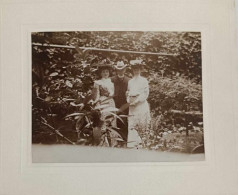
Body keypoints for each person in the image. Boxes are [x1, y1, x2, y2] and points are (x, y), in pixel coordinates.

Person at [126, 59, 151, 148]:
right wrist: (128, 100)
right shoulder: (130, 81)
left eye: (137, 69)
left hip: (140, 105)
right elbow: (128, 92)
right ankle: (132, 144)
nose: (136, 71)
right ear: (132, 70)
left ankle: (141, 143)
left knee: (141, 123)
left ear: (140, 70)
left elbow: (145, 94)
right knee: (132, 123)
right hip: (132, 107)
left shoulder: (144, 80)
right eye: (134, 69)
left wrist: (137, 101)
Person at [92, 61, 117, 146]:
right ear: (100, 73)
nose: (105, 73)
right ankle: (103, 143)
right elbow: (96, 96)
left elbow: (113, 94)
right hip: (102, 103)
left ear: (109, 72)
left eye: (106, 71)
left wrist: (110, 94)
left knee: (111, 121)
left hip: (111, 102)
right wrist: (98, 103)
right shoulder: (97, 82)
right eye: (103, 72)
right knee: (103, 121)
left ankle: (112, 143)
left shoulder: (112, 82)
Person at [111, 61, 130, 143]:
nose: (120, 71)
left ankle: (124, 141)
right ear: (116, 70)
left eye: (122, 69)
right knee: (114, 124)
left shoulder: (129, 80)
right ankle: (115, 142)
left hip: (125, 106)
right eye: (119, 69)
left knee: (124, 123)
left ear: (125, 70)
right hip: (113, 105)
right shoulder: (112, 80)